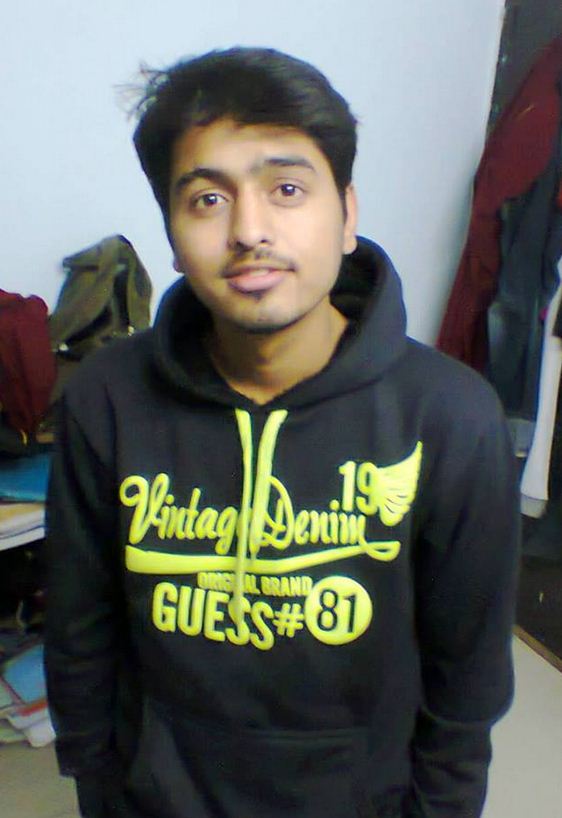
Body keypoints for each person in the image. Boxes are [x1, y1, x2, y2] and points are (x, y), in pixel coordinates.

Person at [45, 47, 520, 818]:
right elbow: (79, 630)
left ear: (347, 214)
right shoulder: (106, 399)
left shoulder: (451, 417)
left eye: (288, 189)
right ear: (172, 233)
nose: (249, 230)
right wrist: (99, 786)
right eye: (207, 199)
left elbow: (466, 682)